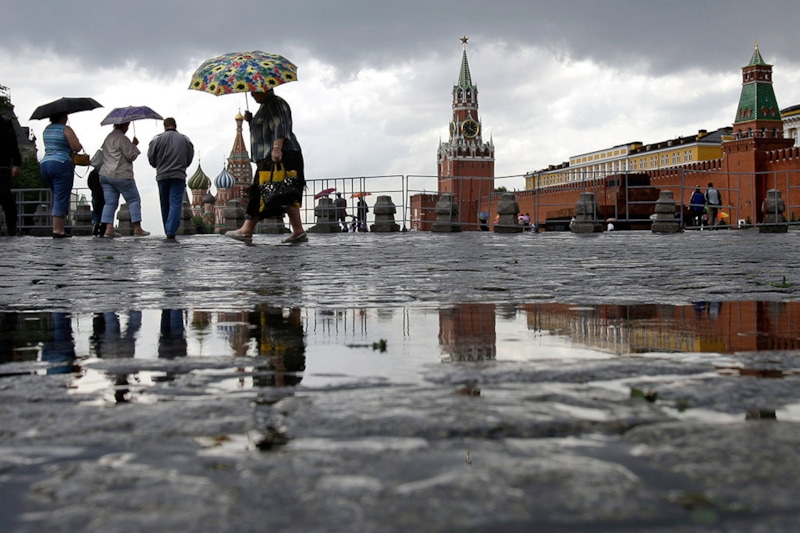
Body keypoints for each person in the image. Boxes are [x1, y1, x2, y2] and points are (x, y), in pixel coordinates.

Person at [226, 89, 306, 244]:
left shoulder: (274, 103)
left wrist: (277, 148)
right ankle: (298, 231)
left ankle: (247, 229)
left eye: (254, 91)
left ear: (264, 89)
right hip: (273, 156)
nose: (251, 94)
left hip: (279, 156)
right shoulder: (265, 106)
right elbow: (265, 130)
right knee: (286, 193)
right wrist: (251, 121)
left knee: (259, 192)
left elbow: (280, 126)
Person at [98, 122, 149, 237]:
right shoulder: (122, 138)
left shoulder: (108, 138)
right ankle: (137, 228)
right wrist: (134, 145)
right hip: (121, 174)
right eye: (127, 126)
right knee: (134, 200)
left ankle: (109, 229)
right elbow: (131, 156)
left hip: (105, 174)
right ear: (123, 126)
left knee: (110, 203)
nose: (127, 128)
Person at [148, 117, 194, 241]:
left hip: (162, 175)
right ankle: (171, 230)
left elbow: (151, 158)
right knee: (175, 202)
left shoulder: (156, 139)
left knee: (164, 203)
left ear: (164, 126)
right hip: (178, 175)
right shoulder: (185, 139)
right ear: (175, 125)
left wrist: (158, 165)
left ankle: (167, 229)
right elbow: (189, 157)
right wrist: (182, 165)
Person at [39, 113, 82, 237]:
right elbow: (76, 147)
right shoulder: (65, 129)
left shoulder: (46, 130)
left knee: (57, 196)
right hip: (61, 163)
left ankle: (60, 226)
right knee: (61, 197)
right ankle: (58, 230)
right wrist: (78, 144)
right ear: (63, 117)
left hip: (45, 164)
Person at [0, 114, 22, 236]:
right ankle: (11, 228)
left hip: (3, 165)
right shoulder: (5, 122)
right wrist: (16, 163)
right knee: (6, 197)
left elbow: (13, 145)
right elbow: (13, 145)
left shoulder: (5, 123)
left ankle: (12, 228)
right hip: (3, 165)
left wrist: (16, 163)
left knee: (5, 196)